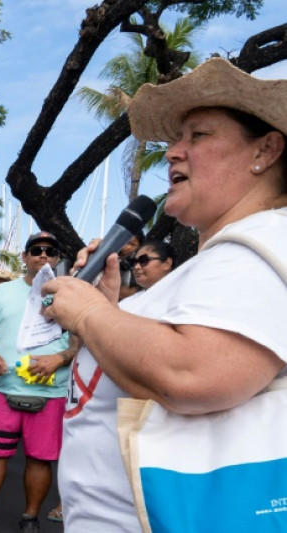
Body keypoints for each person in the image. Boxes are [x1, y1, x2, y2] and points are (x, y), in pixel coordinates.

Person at [40, 58, 287, 532]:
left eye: (198, 135)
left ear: (266, 150)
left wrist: (91, 313)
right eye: (178, 137)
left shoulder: (261, 245)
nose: (173, 151)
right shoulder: (225, 259)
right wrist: (111, 311)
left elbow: (192, 373)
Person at [0, 232, 77, 533]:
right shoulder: (2, 293)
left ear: (57, 259)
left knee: (40, 460)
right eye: (36, 250)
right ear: (25, 257)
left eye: (50, 251)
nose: (43, 255)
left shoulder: (71, 294)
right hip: (4, 389)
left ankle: (30, 518)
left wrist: (60, 358)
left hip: (50, 393)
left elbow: (82, 340)